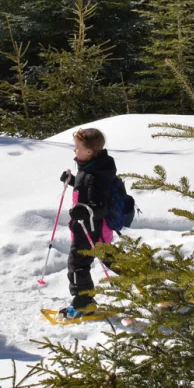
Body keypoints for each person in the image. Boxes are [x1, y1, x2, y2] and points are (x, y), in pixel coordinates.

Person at [58, 127, 117, 320]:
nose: (74, 150)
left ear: (89, 151)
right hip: (92, 229)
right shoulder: (90, 168)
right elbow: (87, 190)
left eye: (77, 147)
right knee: (113, 259)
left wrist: (85, 211)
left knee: (77, 264)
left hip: (91, 230)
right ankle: (154, 281)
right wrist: (73, 180)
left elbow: (101, 205)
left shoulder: (97, 175)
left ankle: (84, 303)